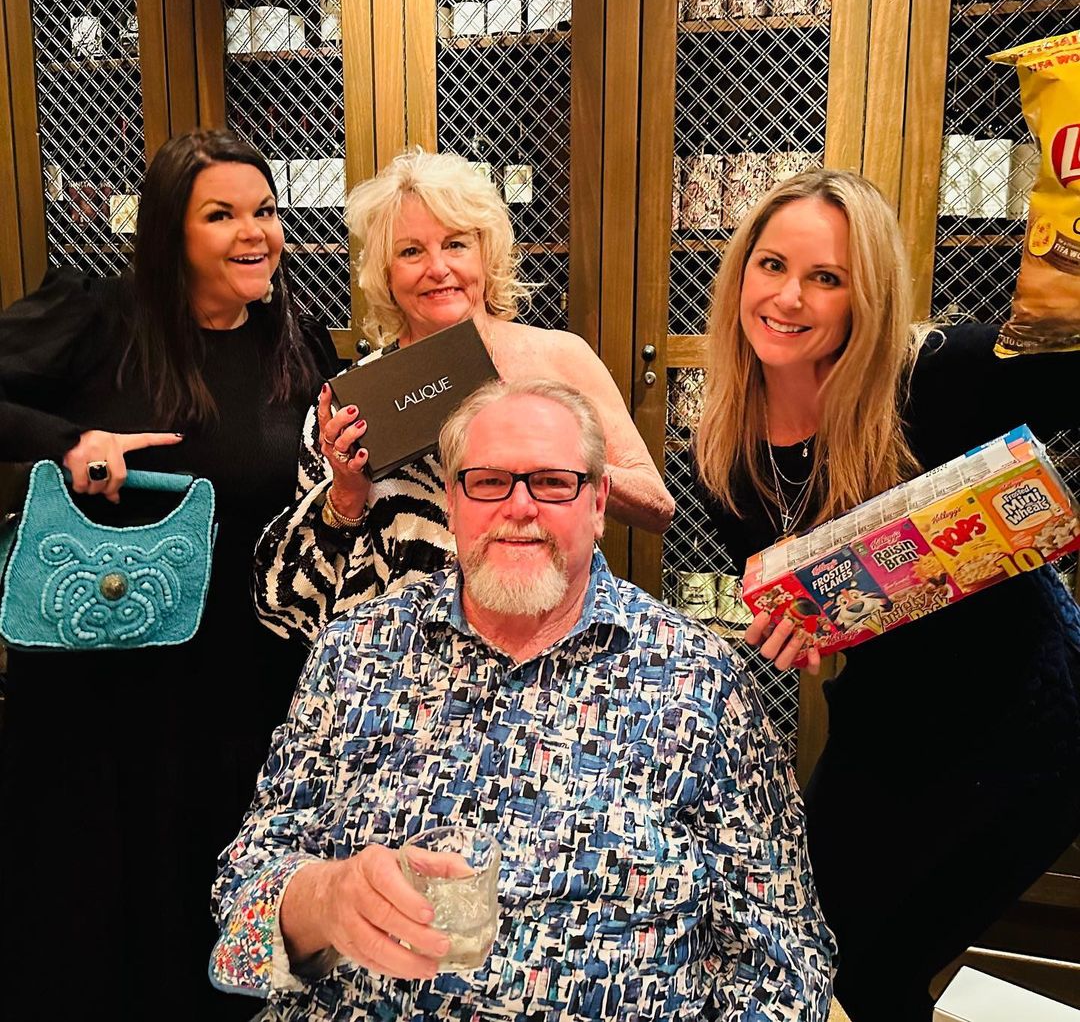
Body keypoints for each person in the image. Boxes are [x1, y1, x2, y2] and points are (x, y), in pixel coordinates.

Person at [210, 379, 834, 1020]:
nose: (519, 507)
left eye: (554, 482)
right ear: (452, 501)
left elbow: (787, 965)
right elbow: (239, 921)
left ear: (598, 502)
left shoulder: (700, 683)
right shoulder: (355, 654)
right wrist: (324, 900)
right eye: (487, 482)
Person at [693, 168, 1080, 1021]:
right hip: (883, 727)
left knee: (872, 969)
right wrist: (806, 633)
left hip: (1026, 731)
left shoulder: (945, 374)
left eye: (826, 278)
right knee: (813, 950)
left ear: (866, 295)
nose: (788, 298)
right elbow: (821, 620)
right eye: (771, 265)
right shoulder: (724, 449)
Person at [0, 129, 341, 1020]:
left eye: (264, 211)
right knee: (108, 901)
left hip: (247, 675)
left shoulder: (295, 341)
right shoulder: (100, 319)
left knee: (212, 891)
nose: (254, 232)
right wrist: (67, 444)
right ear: (168, 234)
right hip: (112, 675)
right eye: (221, 214)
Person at [254, 148, 673, 641]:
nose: (437, 267)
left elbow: (657, 507)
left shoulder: (559, 357)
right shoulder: (354, 399)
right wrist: (347, 488)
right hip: (405, 663)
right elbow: (299, 605)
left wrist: (550, 449)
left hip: (546, 644)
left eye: (455, 244)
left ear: (486, 254)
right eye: (411, 251)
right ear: (386, 274)